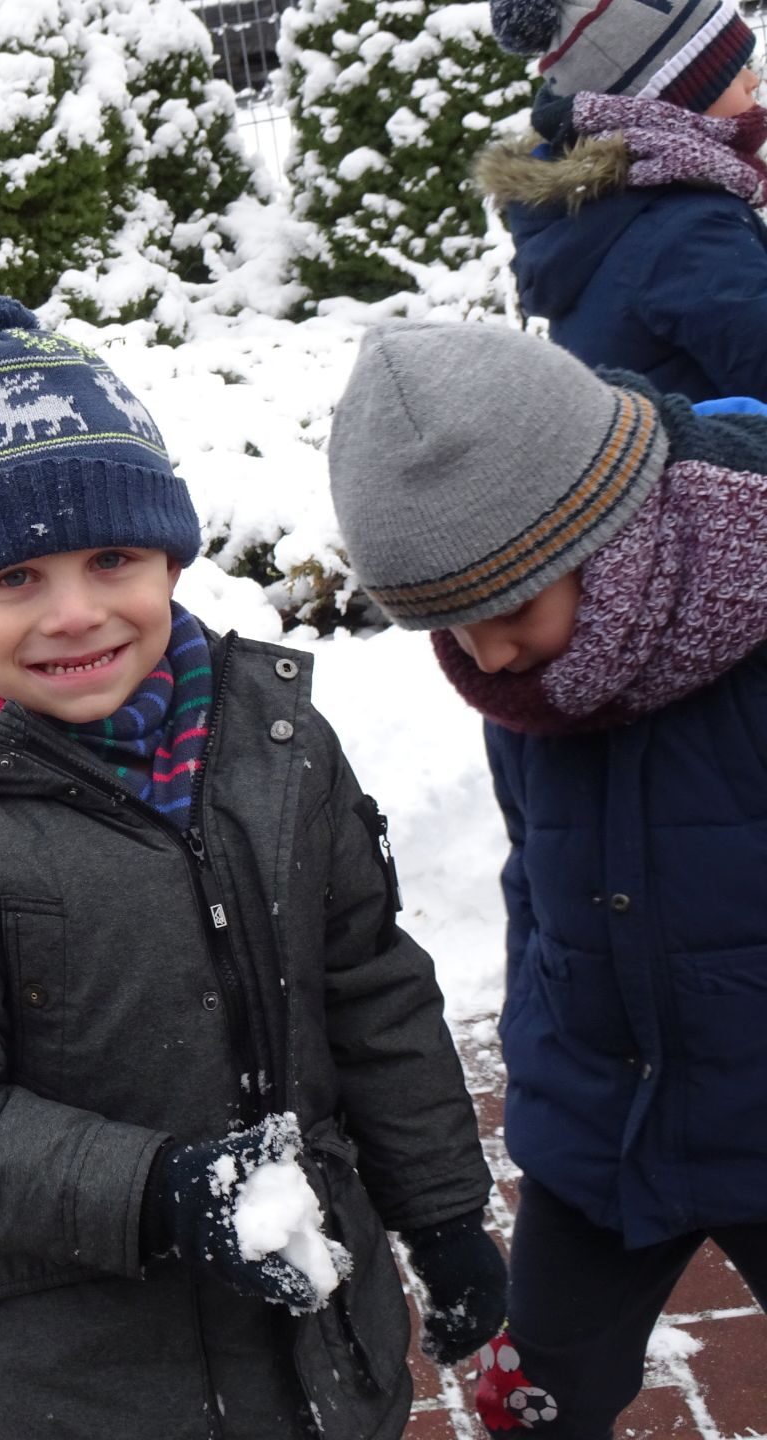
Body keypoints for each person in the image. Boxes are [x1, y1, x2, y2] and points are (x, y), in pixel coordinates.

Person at [0, 280, 504, 1439]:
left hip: (327, 1342)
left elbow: (369, 984)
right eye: (14, 579)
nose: (75, 613)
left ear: (170, 563)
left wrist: (441, 1212)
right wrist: (162, 1193)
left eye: (113, 557)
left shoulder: (280, 746)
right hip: (102, 1378)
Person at [327, 320, 767, 1437]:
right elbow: (539, 871)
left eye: (509, 610)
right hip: (602, 1126)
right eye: (449, 626)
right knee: (542, 1398)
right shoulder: (539, 681)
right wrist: (545, 1043)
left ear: (610, 535)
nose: (488, 659)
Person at [479, 0, 767, 402]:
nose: (752, 80)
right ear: (676, 104)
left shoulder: (608, 216)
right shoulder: (688, 234)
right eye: (731, 70)